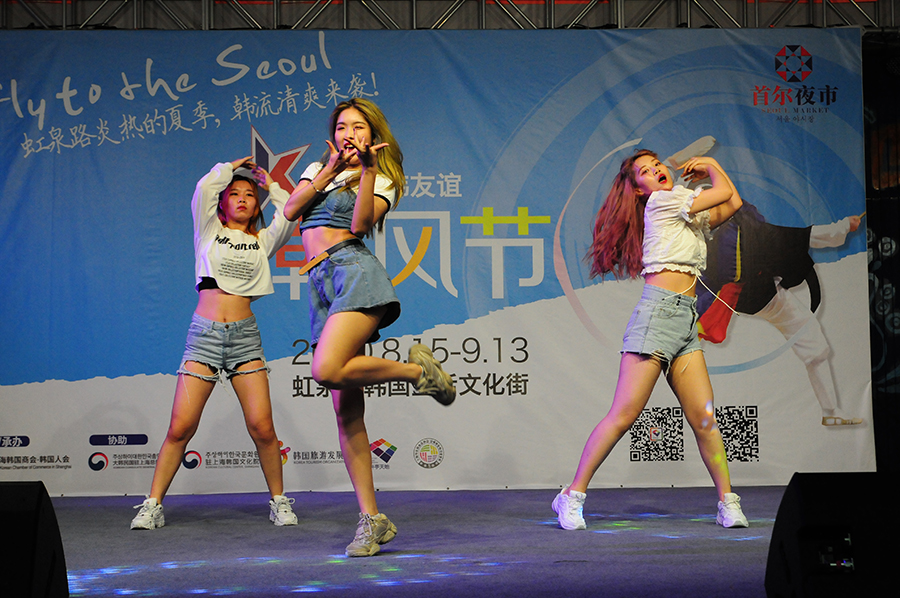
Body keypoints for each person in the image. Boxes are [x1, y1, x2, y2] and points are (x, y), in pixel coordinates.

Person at [283, 98, 455, 557]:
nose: (348, 134)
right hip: (319, 285)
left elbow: (360, 224)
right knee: (347, 414)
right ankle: (372, 520)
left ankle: (418, 372)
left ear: (373, 133)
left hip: (353, 272)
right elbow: (291, 210)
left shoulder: (383, 177)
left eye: (358, 127)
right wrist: (328, 171)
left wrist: (365, 170)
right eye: (341, 127)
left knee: (326, 369)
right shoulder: (317, 168)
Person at [552, 149, 749, 531]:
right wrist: (710, 165)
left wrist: (713, 168)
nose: (656, 169)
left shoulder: (684, 214)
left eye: (656, 164)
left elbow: (733, 202)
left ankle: (728, 502)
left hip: (686, 320)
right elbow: (724, 191)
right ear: (640, 189)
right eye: (645, 170)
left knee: (704, 418)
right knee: (624, 415)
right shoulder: (664, 201)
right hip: (658, 316)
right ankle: (571, 496)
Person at [131, 157, 299, 530]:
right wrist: (228, 167)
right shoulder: (208, 231)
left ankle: (279, 502)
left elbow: (289, 214)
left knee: (263, 428)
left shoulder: (262, 241)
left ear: (256, 206)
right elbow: (203, 189)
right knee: (180, 428)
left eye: (249, 195)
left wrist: (271, 186)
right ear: (222, 204)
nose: (242, 199)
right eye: (234, 194)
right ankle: (152, 505)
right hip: (204, 337)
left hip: (244, 339)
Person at [697, 202, 864, 426]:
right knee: (812, 340)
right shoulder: (744, 225)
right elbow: (799, 238)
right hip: (763, 296)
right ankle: (831, 410)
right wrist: (844, 226)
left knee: (688, 344)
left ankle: (832, 410)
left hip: (731, 299)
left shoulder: (700, 234)